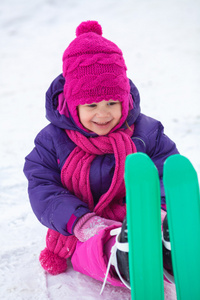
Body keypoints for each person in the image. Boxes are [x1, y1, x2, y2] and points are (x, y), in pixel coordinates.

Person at [24, 20, 177, 290]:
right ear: (72, 105)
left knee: (156, 218)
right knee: (89, 251)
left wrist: (161, 210)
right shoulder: (52, 141)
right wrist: (82, 221)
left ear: (125, 99)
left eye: (112, 103)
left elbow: (164, 172)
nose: (103, 114)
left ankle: (169, 246)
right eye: (91, 105)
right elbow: (43, 188)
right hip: (84, 227)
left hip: (141, 214)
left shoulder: (146, 132)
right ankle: (121, 259)